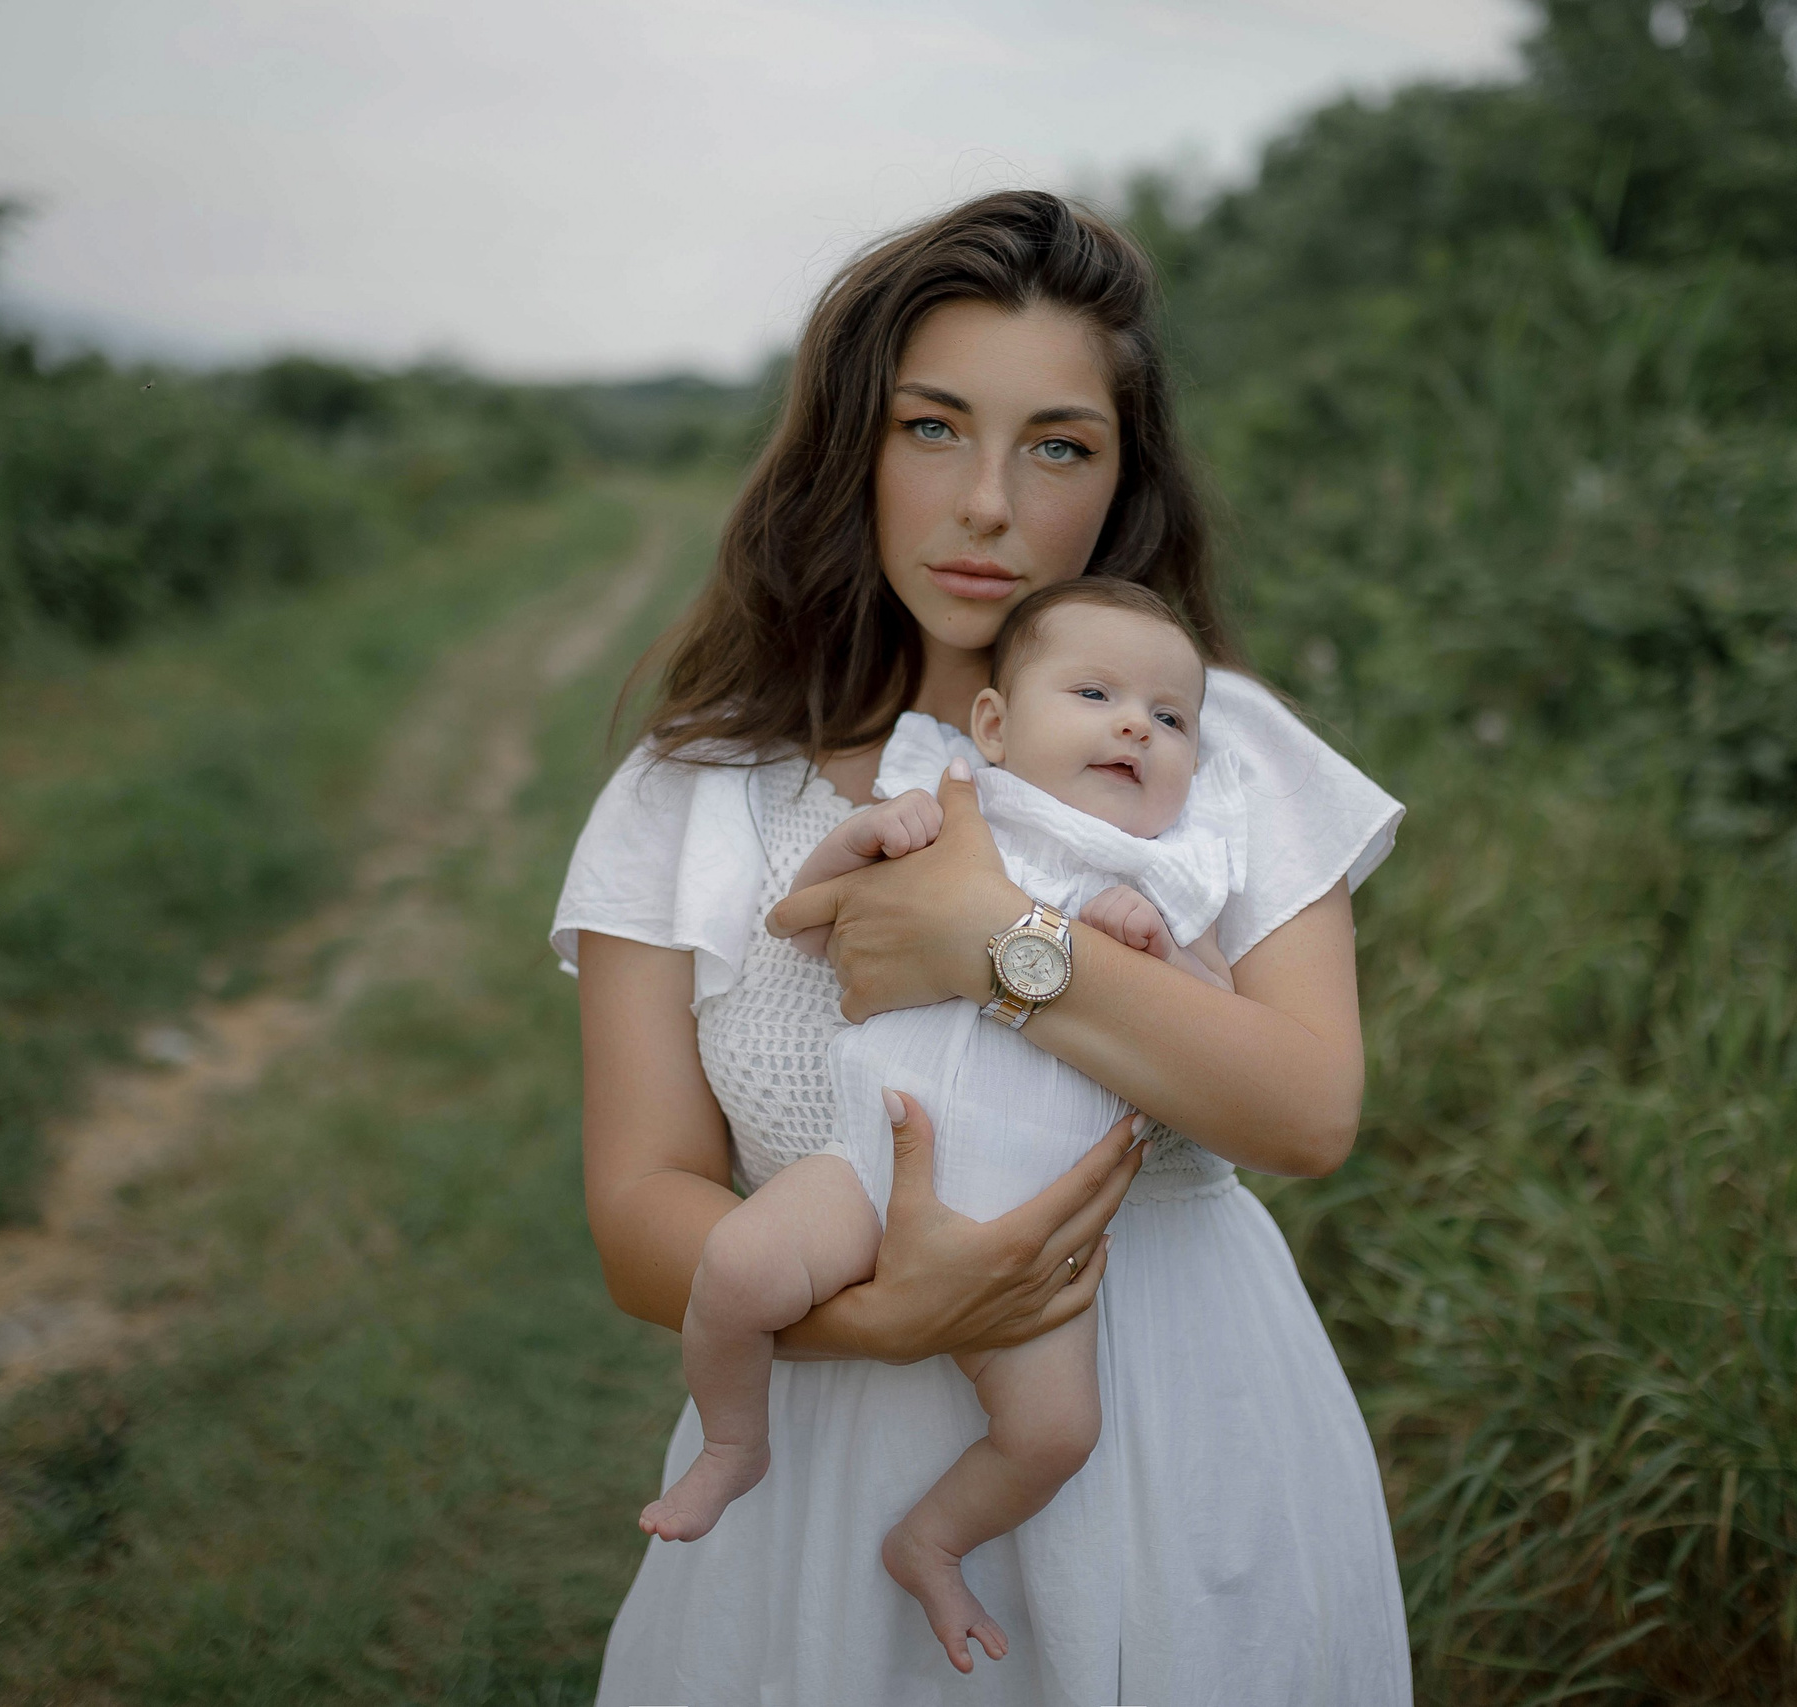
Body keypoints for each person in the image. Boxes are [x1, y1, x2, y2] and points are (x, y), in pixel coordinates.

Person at [553, 190, 1411, 1706]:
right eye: (933, 428)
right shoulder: (687, 794)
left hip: (1181, 1446)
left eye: (1059, 445)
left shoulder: (1220, 753)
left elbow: (1307, 1109)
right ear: (849, 449)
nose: (989, 505)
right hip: (817, 1464)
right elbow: (639, 1215)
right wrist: (892, 1314)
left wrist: (987, 938)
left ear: (1120, 481)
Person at [640, 581, 1243, 1676]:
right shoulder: (950, 806)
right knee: (735, 1266)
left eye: (1169, 719)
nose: (1132, 727)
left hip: (1036, 1229)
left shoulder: (1172, 870)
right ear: (997, 728)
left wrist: (1156, 949)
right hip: (869, 1167)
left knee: (1056, 1434)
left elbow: (1223, 1027)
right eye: (1097, 694)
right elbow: (800, 927)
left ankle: (933, 1537)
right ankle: (734, 1440)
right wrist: (864, 842)